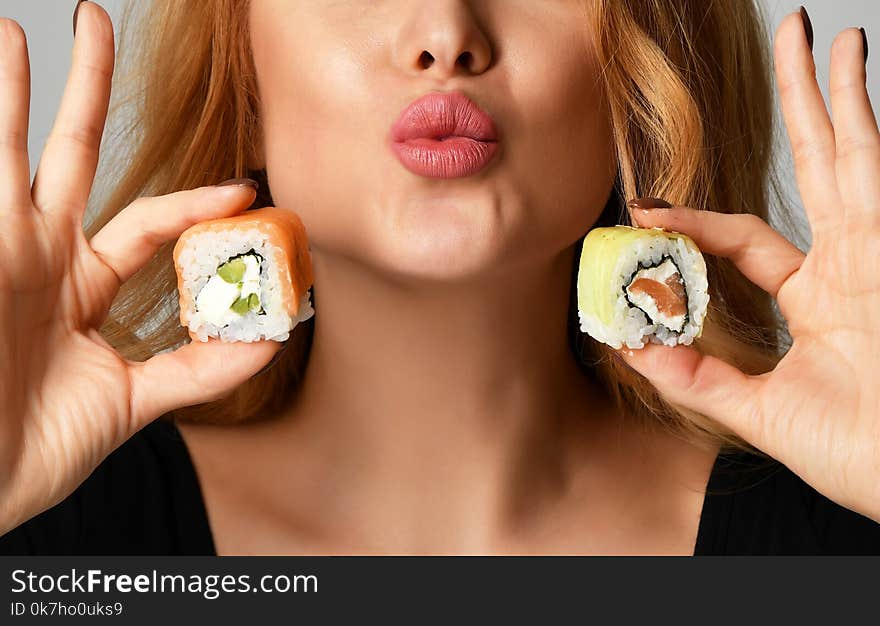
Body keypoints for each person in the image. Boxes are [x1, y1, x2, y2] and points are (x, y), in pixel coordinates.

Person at [0, 0, 878, 556]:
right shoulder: (60, 539)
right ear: (248, 78)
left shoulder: (832, 543)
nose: (446, 33)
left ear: (643, 61)